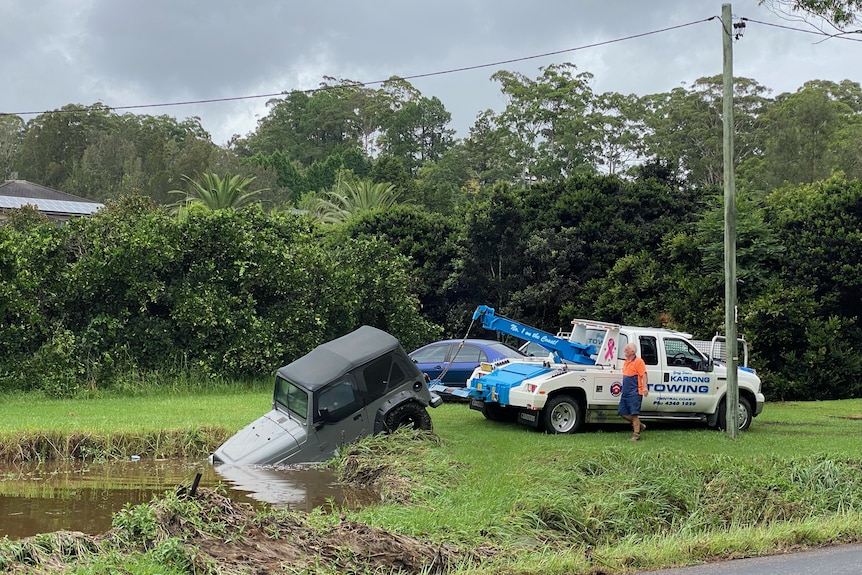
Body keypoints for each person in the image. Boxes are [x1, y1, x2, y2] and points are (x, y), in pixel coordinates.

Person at [618, 342, 648, 441]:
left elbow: (644, 374)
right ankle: (639, 425)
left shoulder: (639, 361)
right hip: (626, 392)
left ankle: (636, 435)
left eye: (626, 350)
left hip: (635, 392)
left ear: (632, 351)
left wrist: (645, 387)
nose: (624, 351)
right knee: (622, 413)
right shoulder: (626, 361)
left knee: (634, 414)